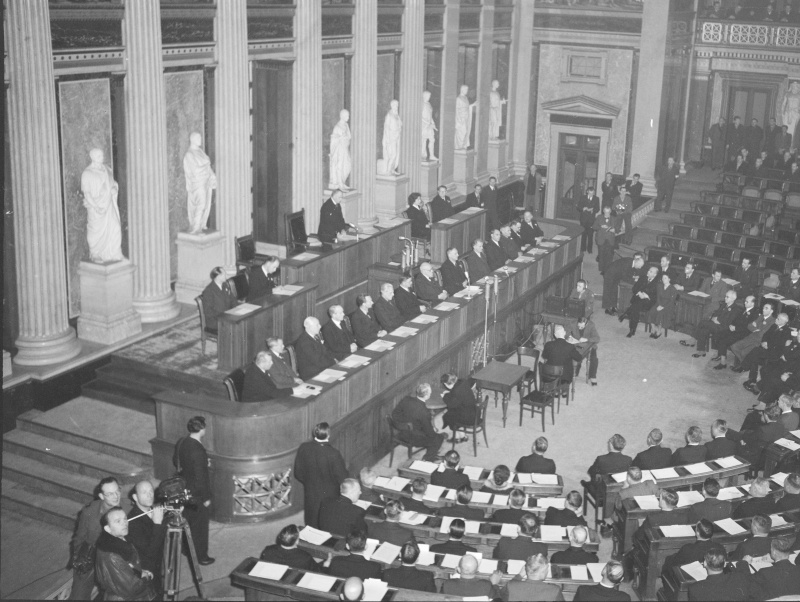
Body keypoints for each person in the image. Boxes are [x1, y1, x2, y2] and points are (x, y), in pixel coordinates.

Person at [70, 477, 131, 600]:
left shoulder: (129, 507)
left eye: (117, 491)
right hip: (92, 557)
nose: (115, 496)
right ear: (101, 496)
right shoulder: (89, 512)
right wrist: (79, 558)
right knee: (78, 597)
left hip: (117, 559)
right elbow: (79, 539)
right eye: (110, 494)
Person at [173, 416, 214, 565]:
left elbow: (176, 460)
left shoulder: (182, 442)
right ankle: (201, 556)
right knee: (200, 527)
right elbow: (200, 477)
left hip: (184, 489)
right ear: (202, 429)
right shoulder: (197, 450)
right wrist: (206, 498)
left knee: (188, 522)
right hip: (196, 494)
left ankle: (186, 548)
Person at [94, 507, 156, 601]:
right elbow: (131, 588)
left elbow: (126, 567)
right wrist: (145, 578)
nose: (124, 523)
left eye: (125, 519)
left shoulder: (119, 541)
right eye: (118, 521)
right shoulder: (111, 555)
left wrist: (139, 572)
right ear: (107, 528)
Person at [294, 423, 348, 529]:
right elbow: (343, 477)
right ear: (328, 435)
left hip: (311, 491)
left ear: (315, 433)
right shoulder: (334, 453)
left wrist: (309, 483)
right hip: (330, 494)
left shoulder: (303, 448)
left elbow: (298, 473)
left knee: (311, 519)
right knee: (327, 522)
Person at [81, 148, 124, 263]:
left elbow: (113, 183)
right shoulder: (87, 173)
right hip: (96, 207)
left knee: (116, 227)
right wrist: (96, 206)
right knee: (95, 230)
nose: (102, 157)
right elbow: (87, 193)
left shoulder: (107, 170)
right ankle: (95, 253)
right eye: (99, 156)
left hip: (109, 204)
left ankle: (114, 253)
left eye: (102, 155)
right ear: (93, 157)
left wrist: (115, 188)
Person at [127, 480, 166, 595]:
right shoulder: (132, 522)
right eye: (144, 492)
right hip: (147, 572)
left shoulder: (152, 509)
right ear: (135, 497)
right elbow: (150, 551)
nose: (149, 495)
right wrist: (157, 524)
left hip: (159, 566)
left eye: (151, 491)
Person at [739, 312, 793, 393]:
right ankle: (752, 380)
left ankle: (744, 367)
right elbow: (766, 335)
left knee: (755, 351)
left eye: (778, 319)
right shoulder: (774, 325)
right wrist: (764, 342)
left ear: (783, 322)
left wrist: (768, 345)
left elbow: (780, 344)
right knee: (754, 357)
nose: (776, 319)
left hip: (775, 353)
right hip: (767, 349)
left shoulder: (787, 331)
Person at [392, 383, 445, 462]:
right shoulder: (424, 412)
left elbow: (394, 414)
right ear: (427, 396)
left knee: (434, 434)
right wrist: (434, 430)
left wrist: (406, 423)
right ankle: (428, 458)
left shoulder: (406, 399)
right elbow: (429, 433)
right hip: (413, 437)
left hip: (402, 433)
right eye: (430, 393)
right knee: (439, 437)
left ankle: (432, 454)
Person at [183, 132, 216, 234]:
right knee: (201, 203)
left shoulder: (200, 152)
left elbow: (208, 167)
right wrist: (206, 166)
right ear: (192, 139)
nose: (200, 139)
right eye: (198, 138)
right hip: (197, 183)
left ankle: (201, 224)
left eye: (201, 137)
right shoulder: (189, 154)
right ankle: (195, 228)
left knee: (205, 204)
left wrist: (212, 175)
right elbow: (195, 171)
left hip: (205, 182)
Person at [714, 295, 759, 370]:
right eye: (745, 301)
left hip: (743, 334)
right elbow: (736, 319)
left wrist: (736, 328)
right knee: (719, 334)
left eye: (747, 301)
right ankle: (721, 355)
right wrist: (732, 325)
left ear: (752, 304)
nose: (744, 303)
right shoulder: (744, 310)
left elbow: (748, 327)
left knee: (724, 341)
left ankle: (723, 362)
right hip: (735, 330)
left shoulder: (754, 314)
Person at [619, 265, 659, 337]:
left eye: (651, 272)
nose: (648, 272)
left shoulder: (657, 283)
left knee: (636, 306)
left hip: (648, 303)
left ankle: (627, 315)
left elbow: (656, 297)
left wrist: (646, 296)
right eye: (649, 270)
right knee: (636, 308)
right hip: (638, 299)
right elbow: (634, 288)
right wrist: (639, 293)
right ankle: (632, 329)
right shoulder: (643, 278)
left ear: (654, 275)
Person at [440, 372, 476, 443]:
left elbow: (451, 404)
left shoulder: (456, 390)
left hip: (469, 418)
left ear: (447, 384)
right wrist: (449, 394)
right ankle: (463, 435)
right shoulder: (462, 382)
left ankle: (456, 438)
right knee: (453, 412)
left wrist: (444, 396)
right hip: (474, 411)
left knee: (449, 415)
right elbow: (457, 397)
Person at [200, 267, 236, 334]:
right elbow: (208, 311)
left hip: (226, 317)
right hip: (215, 321)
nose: (226, 276)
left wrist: (235, 311)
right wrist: (223, 316)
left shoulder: (225, 285)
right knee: (235, 327)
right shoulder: (209, 291)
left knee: (241, 322)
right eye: (224, 274)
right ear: (218, 276)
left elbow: (233, 300)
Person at [567, 315, 600, 385]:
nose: (580, 328)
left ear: (586, 324)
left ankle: (592, 376)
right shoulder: (572, 323)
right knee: (574, 356)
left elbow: (597, 338)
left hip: (589, 345)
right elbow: (566, 332)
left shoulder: (591, 325)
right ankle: (575, 372)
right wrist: (568, 337)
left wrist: (587, 339)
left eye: (582, 327)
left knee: (594, 358)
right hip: (576, 344)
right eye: (578, 326)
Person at [649, 272, 678, 339]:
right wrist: (659, 305)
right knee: (651, 311)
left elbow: (671, 301)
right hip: (659, 303)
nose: (663, 279)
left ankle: (659, 331)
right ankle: (653, 329)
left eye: (665, 278)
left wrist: (663, 307)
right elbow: (658, 297)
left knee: (660, 313)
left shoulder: (673, 289)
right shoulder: (659, 286)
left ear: (669, 279)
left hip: (668, 306)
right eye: (662, 278)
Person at [329, 110, 352, 190]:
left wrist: (345, 138)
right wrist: (340, 138)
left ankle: (342, 181)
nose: (348, 118)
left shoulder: (346, 125)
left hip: (345, 148)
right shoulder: (337, 127)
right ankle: (340, 183)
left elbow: (349, 136)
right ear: (342, 116)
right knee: (340, 164)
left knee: (348, 165)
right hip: (339, 149)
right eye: (347, 116)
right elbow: (333, 138)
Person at [593, 205, 617, 275]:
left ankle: (607, 270)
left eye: (608, 212)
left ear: (610, 212)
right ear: (603, 211)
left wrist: (614, 230)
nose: (606, 214)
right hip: (601, 239)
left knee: (609, 256)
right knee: (601, 255)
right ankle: (602, 269)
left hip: (610, 240)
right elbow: (594, 226)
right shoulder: (599, 217)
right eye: (605, 212)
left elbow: (618, 229)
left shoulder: (614, 218)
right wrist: (600, 227)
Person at [380, 100, 402, 175]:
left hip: (396, 137)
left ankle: (392, 169)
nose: (396, 106)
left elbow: (399, 125)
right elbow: (386, 127)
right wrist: (388, 138)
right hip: (391, 137)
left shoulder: (396, 115)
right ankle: (388, 169)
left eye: (397, 105)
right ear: (392, 105)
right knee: (393, 154)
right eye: (395, 105)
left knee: (395, 154)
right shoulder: (389, 115)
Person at [577, 187, 600, 254]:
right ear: (587, 192)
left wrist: (593, 210)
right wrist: (583, 208)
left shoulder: (596, 198)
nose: (591, 195)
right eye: (590, 193)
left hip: (591, 219)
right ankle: (583, 248)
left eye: (592, 194)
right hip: (583, 218)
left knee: (590, 234)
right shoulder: (583, 197)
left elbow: (598, 208)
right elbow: (578, 207)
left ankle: (589, 249)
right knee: (583, 233)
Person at [454, 85, 477, 150]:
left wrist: (473, 105)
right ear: (462, 90)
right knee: (461, 132)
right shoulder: (458, 98)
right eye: (466, 90)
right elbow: (456, 110)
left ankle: (463, 146)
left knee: (466, 132)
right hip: (460, 119)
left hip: (466, 118)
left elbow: (467, 107)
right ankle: (459, 147)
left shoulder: (466, 98)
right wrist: (457, 121)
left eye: (467, 89)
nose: (467, 91)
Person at [421, 90, 438, 161]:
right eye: (428, 96)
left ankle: (431, 155)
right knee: (423, 140)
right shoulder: (421, 104)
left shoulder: (429, 104)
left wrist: (433, 123)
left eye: (430, 96)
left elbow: (430, 116)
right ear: (424, 96)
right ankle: (423, 155)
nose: (429, 97)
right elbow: (419, 116)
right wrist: (427, 123)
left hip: (429, 125)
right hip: (424, 125)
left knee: (432, 139)